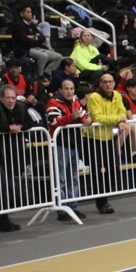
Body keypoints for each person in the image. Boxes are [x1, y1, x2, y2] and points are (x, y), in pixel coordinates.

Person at [0, 84, 36, 233]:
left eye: (13, 98)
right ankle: (1, 220)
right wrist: (8, 128)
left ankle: (4, 219)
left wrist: (20, 127)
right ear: (1, 98)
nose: (11, 101)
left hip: (15, 152)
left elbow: (30, 122)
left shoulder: (21, 107)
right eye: (8, 98)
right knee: (2, 186)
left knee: (9, 185)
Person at [46, 77, 92, 221]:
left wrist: (88, 121)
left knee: (73, 178)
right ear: (60, 90)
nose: (69, 91)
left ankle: (72, 207)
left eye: (71, 89)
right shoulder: (53, 103)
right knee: (60, 179)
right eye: (66, 89)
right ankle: (62, 210)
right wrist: (71, 117)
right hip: (60, 145)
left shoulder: (74, 101)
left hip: (73, 145)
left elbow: (83, 115)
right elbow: (53, 121)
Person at [86, 73, 126, 214]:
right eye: (105, 82)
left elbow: (122, 111)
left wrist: (121, 120)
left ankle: (106, 195)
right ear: (100, 84)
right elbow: (98, 117)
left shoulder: (117, 95)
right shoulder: (94, 97)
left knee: (113, 169)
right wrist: (118, 119)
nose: (108, 84)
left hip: (109, 137)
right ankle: (102, 202)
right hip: (94, 138)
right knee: (97, 172)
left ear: (114, 83)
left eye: (110, 81)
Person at [12, 4, 63, 78]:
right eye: (28, 12)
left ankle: (47, 74)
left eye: (31, 12)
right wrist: (36, 38)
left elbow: (42, 38)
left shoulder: (32, 25)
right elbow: (25, 41)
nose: (30, 14)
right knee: (44, 56)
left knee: (58, 57)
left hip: (38, 48)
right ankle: (40, 76)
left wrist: (33, 37)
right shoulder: (18, 26)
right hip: (26, 50)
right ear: (21, 14)